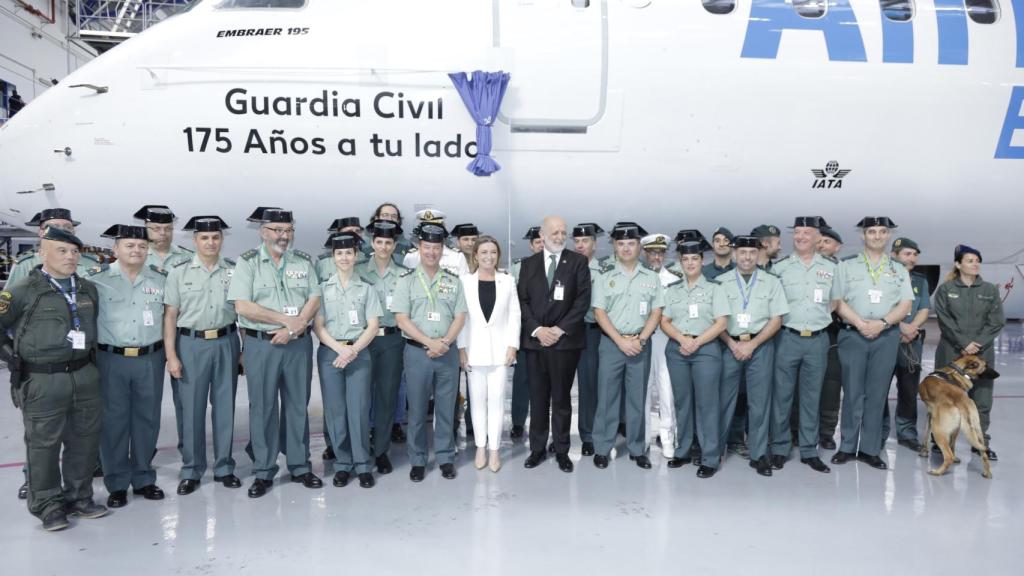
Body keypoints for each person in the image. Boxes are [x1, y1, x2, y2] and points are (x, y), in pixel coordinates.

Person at [0, 227, 107, 531]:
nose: (70, 257)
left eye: (74, 251)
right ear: (42, 252)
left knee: (84, 441)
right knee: (43, 445)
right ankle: (47, 505)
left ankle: (79, 497)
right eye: (62, 251)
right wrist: (11, 357)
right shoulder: (23, 290)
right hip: (43, 379)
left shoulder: (87, 289)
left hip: (84, 375)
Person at [228, 207, 323, 498]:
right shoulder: (248, 263)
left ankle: (299, 465)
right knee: (263, 407)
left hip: (297, 344)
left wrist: (295, 329)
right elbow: (243, 306)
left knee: (297, 405)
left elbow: (314, 298)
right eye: (278, 231)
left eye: (289, 230)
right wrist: (286, 321)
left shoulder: (303, 261)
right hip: (262, 345)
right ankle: (264, 471)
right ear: (263, 232)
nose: (284, 236)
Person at [88, 224, 168, 507]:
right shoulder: (97, 281)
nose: (136, 251)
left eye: (142, 247)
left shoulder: (161, 280)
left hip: (150, 358)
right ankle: (117, 483)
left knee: (148, 419)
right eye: (130, 246)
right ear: (115, 249)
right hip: (112, 359)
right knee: (114, 422)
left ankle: (145, 478)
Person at [162, 216, 241, 495]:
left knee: (225, 408)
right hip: (191, 344)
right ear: (195, 241)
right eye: (204, 238)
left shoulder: (234, 271)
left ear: (221, 240)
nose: (210, 242)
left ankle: (224, 467)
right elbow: (170, 316)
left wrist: (241, 349)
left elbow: (243, 312)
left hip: (226, 342)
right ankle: (192, 469)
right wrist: (171, 355)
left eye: (216, 237)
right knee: (191, 410)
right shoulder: (178, 273)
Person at [831, 217, 913, 470]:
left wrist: (883, 323)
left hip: (885, 337)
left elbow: (905, 305)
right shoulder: (846, 266)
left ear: (888, 236)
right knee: (853, 392)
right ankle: (846, 446)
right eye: (871, 232)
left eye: (882, 232)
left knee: (877, 395)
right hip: (853, 335)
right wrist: (860, 323)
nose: (877, 236)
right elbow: (837, 301)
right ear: (863, 236)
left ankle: (869, 449)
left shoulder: (898, 269)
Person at [392, 223, 467, 482]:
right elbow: (402, 318)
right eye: (427, 247)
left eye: (436, 248)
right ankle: (418, 459)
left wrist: (444, 341)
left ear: (442, 250)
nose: (432, 252)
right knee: (417, 409)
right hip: (417, 353)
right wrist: (429, 342)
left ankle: (446, 457)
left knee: (446, 409)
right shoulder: (407, 281)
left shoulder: (453, 281)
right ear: (419, 248)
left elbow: (460, 316)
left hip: (446, 352)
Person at [518, 216, 591, 472]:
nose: (560, 237)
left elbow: (582, 301)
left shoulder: (578, 262)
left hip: (564, 344)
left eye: (563, 232)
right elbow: (522, 302)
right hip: (536, 343)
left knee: (561, 399)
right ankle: (537, 449)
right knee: (537, 399)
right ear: (542, 234)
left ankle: (561, 450)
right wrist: (538, 330)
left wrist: (558, 330)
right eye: (555, 232)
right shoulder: (528, 265)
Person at [591, 223, 664, 470]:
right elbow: (599, 312)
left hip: (640, 343)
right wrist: (620, 341)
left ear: (638, 246)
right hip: (612, 343)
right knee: (607, 397)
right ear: (614, 246)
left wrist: (641, 339)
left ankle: (637, 448)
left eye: (631, 243)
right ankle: (602, 447)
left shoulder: (651, 277)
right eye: (620, 243)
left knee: (637, 398)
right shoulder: (605, 276)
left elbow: (656, 311)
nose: (626, 248)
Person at [313, 232, 382, 489]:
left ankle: (363, 464)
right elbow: (318, 326)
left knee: (359, 410)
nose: (344, 257)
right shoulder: (322, 289)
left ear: (356, 256)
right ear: (333, 257)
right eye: (339, 253)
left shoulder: (366, 288)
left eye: (348, 253)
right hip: (331, 353)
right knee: (336, 412)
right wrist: (339, 349)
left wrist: (352, 350)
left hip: (359, 353)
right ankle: (343, 464)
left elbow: (373, 325)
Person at [717, 235, 788, 477]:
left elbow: (776, 319)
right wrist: (732, 343)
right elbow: (716, 320)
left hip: (761, 345)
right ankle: (714, 452)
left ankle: (758, 455)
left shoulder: (772, 282)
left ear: (759, 254)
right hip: (729, 345)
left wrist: (753, 344)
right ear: (734, 254)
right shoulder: (721, 282)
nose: (747, 257)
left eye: (752, 252)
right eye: (742, 252)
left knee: (759, 403)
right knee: (724, 401)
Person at [769, 217, 836, 474]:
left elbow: (836, 301)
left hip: (817, 340)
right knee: (782, 396)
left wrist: (819, 318)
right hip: (787, 337)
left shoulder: (831, 268)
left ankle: (809, 450)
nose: (800, 236)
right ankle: (779, 448)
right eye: (797, 232)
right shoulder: (781, 268)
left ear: (818, 237)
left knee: (811, 397)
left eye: (807, 232)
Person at [660, 240, 729, 477]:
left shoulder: (715, 288)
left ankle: (710, 456)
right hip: (678, 350)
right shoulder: (673, 290)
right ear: (681, 262)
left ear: (702, 261)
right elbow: (664, 321)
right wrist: (682, 339)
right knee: (682, 401)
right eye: (685, 259)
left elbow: (721, 322)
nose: (690, 263)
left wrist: (696, 342)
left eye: (694, 259)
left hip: (706, 350)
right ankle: (684, 450)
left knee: (707, 404)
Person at [932, 244, 1005, 459]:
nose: (975, 264)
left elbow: (996, 321)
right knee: (946, 398)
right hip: (951, 351)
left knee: (981, 399)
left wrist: (977, 344)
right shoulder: (946, 290)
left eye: (977, 261)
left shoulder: (989, 290)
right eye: (970, 261)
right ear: (958, 264)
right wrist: (964, 343)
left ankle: (980, 442)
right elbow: (944, 320)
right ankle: (942, 441)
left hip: (982, 353)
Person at [457, 235, 521, 472]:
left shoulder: (507, 281)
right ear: (475, 255)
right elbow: (461, 318)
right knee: (477, 401)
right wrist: (461, 348)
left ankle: (494, 450)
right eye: (483, 252)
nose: (488, 256)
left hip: (500, 354)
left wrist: (512, 346)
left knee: (496, 401)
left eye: (493, 252)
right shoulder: (464, 282)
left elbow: (515, 316)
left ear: (498, 255)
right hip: (473, 351)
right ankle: (480, 448)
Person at [359, 220, 410, 474]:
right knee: (360, 396)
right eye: (379, 241)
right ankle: (359, 450)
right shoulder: (358, 271)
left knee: (387, 396)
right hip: (363, 341)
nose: (383, 246)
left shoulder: (403, 274)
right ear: (372, 243)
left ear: (394, 245)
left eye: (388, 242)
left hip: (391, 339)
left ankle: (380, 451)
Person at [880, 237, 931, 452]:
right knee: (879, 390)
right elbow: (878, 306)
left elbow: (924, 309)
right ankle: (878, 432)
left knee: (909, 392)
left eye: (914, 254)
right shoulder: (881, 277)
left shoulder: (920, 280)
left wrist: (912, 329)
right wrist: (900, 326)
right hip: (886, 340)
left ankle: (907, 432)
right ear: (894, 255)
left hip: (910, 345)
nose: (912, 258)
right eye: (907, 254)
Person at [640, 233, 678, 459]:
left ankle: (667, 438)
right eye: (652, 252)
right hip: (643, 338)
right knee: (642, 389)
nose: (656, 257)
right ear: (645, 253)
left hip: (664, 339)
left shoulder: (673, 279)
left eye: (661, 252)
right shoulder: (639, 276)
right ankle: (643, 438)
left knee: (667, 390)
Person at [571, 222, 605, 456]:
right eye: (578, 241)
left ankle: (588, 435)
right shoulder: (567, 268)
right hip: (567, 332)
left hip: (591, 331)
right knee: (560, 386)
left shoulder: (603, 272)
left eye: (585, 241)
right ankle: (560, 435)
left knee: (589, 385)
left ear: (594, 244)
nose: (581, 245)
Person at [508, 225, 544, 439]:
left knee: (547, 381)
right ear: (531, 246)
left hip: (550, 332)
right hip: (525, 330)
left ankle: (542, 423)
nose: (541, 245)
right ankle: (518, 422)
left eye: (544, 242)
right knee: (521, 380)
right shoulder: (517, 268)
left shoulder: (559, 267)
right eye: (537, 242)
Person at [6, 208, 100, 286]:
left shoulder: (90, 263)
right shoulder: (25, 265)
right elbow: (10, 302)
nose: (62, 231)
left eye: (67, 227)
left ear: (74, 232)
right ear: (41, 233)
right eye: (54, 227)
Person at [816, 226, 844, 450]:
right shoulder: (803, 267)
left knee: (831, 386)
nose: (821, 245)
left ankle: (826, 432)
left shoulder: (842, 270)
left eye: (827, 241)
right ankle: (798, 430)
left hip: (833, 334)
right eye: (819, 241)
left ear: (837, 247)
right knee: (801, 385)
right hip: (806, 333)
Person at [403, 209, 470, 277]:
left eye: (435, 230)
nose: (430, 234)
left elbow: (464, 284)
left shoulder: (457, 257)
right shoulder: (411, 257)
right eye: (426, 230)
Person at [134, 205, 194, 271]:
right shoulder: (134, 256)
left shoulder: (189, 256)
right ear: (145, 230)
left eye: (168, 228)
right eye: (156, 228)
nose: (163, 233)